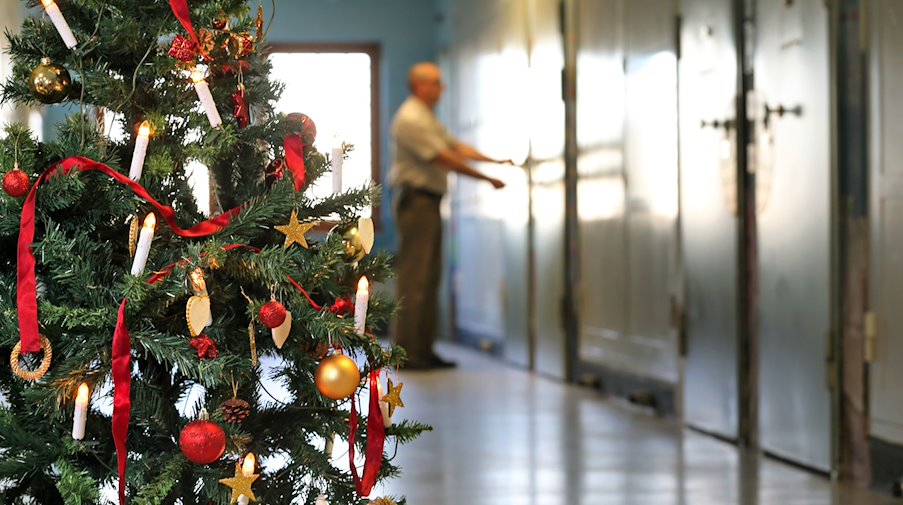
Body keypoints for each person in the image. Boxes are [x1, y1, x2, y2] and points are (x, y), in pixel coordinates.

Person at [390, 62, 514, 370]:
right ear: (420, 86)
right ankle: (407, 354)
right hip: (417, 203)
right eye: (436, 82)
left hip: (428, 203)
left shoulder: (426, 116)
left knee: (428, 279)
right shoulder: (411, 118)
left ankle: (422, 350)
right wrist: (487, 179)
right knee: (415, 280)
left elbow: (455, 146)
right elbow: (445, 157)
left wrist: (494, 160)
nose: (441, 88)